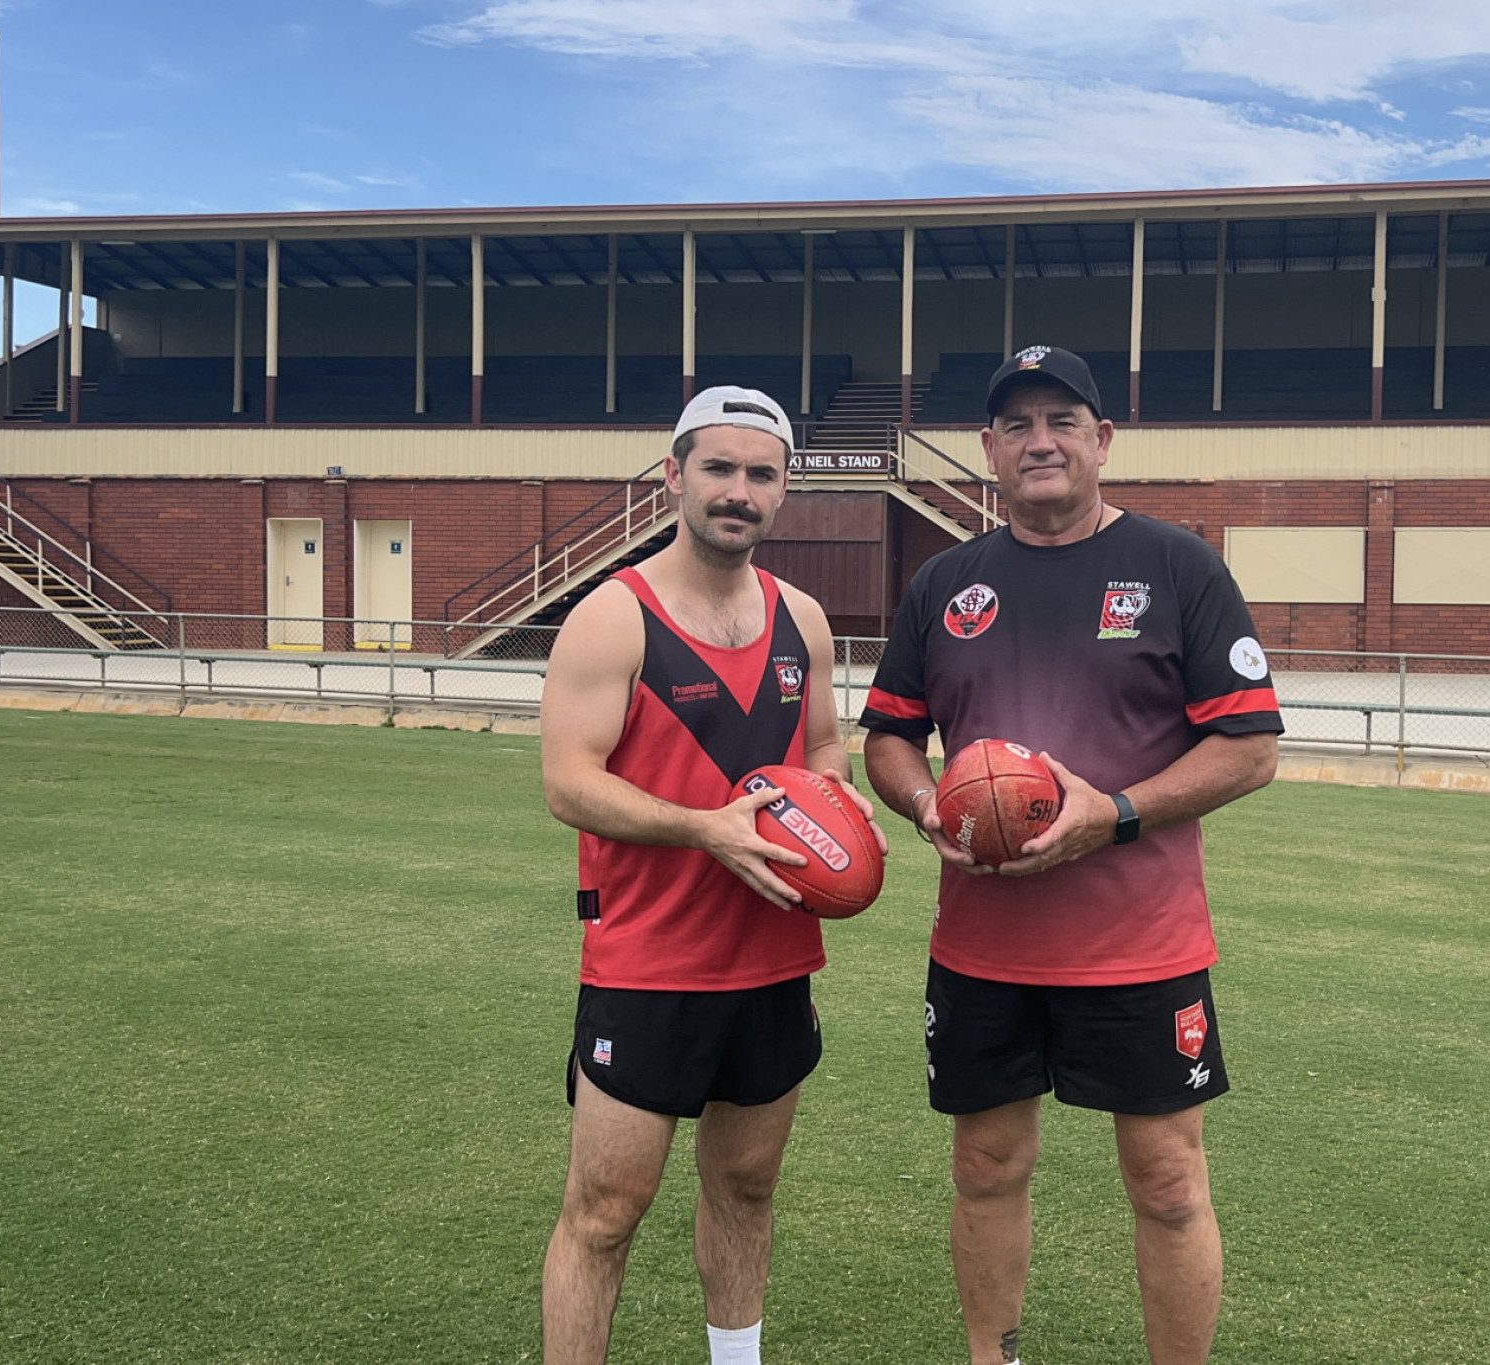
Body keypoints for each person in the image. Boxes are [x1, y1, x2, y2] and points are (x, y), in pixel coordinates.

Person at [860, 346, 1283, 1365]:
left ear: (1101, 441)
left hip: (1139, 945)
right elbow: (885, 736)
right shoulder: (943, 583)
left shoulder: (1179, 568)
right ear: (987, 451)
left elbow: (1250, 749)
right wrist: (927, 807)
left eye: (1061, 420)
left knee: (1168, 1180)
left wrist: (1117, 812)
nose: (1038, 441)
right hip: (981, 948)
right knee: (986, 1163)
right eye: (1015, 424)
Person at [538, 385, 884, 1365]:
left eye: (760, 474)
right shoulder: (614, 617)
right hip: (647, 965)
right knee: (604, 1214)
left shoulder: (803, 621)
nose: (738, 491)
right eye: (719, 469)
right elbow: (568, 782)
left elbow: (822, 747)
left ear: (785, 490)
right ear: (674, 476)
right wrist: (706, 830)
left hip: (773, 962)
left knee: (745, 1190)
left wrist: (838, 803)